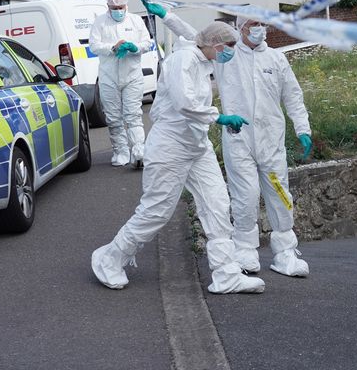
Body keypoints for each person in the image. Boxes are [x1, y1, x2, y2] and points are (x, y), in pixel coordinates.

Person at [91, 20, 265, 294]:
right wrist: (219, 116)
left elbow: (196, 106)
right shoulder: (183, 59)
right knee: (156, 211)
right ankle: (110, 258)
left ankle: (226, 274)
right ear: (215, 44)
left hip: (197, 145)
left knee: (217, 205)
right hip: (169, 145)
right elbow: (186, 103)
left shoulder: (205, 62)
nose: (231, 51)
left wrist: (216, 119)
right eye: (229, 46)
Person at [141, 0, 312, 277]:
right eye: (255, 24)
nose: (261, 29)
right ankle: (244, 250)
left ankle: (286, 252)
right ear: (242, 28)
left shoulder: (276, 59)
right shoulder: (227, 55)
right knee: (244, 196)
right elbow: (196, 37)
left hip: (271, 140)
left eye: (263, 24)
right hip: (239, 138)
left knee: (280, 193)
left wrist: (303, 129)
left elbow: (292, 96)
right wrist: (168, 16)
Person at [89, 0, 152, 168]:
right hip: (109, 77)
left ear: (126, 6)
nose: (118, 11)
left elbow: (147, 43)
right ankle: (120, 151)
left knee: (133, 115)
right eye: (114, 8)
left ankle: (139, 150)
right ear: (108, 7)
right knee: (113, 117)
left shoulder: (136, 21)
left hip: (132, 75)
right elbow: (93, 45)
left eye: (120, 8)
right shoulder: (100, 22)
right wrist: (112, 48)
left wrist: (134, 47)